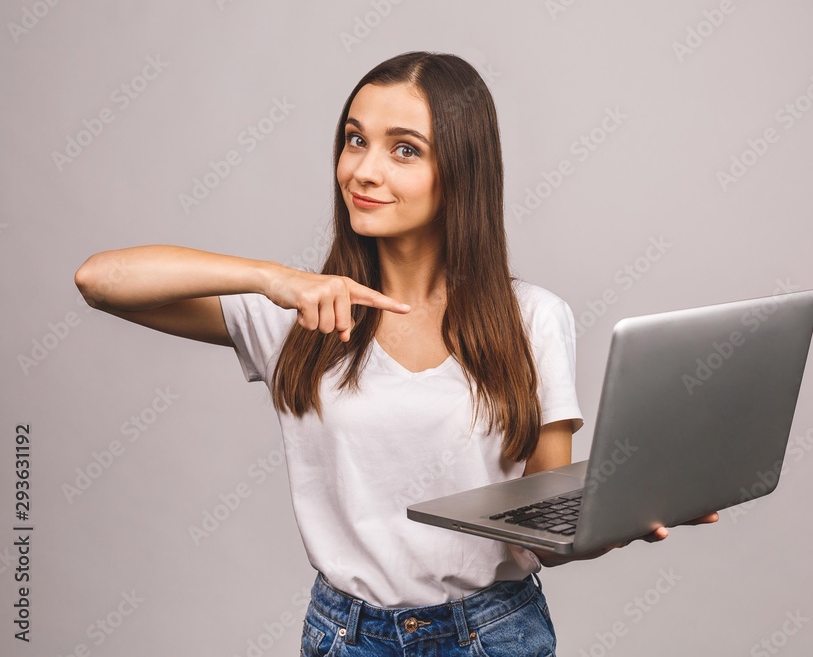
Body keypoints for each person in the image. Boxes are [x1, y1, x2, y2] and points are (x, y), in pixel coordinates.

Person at [75, 51, 717, 656]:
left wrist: (627, 514)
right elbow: (99, 280)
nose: (364, 170)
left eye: (404, 150)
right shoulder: (297, 313)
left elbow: (544, 537)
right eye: (356, 140)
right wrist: (272, 278)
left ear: (461, 171)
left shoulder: (534, 319)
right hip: (347, 635)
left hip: (492, 632)